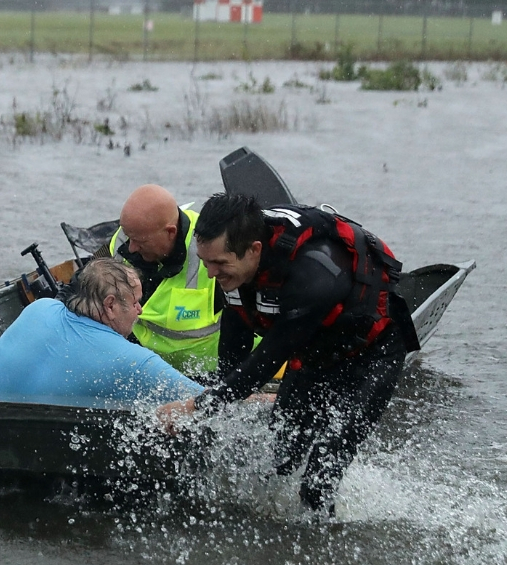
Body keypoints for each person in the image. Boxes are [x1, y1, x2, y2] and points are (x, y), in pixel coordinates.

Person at [159, 193, 420, 515]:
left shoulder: (314, 275)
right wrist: (215, 401)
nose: (210, 274)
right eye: (205, 261)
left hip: (370, 356)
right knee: (281, 457)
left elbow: (269, 359)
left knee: (320, 476)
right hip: (314, 353)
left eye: (220, 264)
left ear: (255, 250)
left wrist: (195, 406)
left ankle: (325, 552)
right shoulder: (234, 267)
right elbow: (233, 357)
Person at [0, 258, 204, 404]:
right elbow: (210, 402)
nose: (140, 309)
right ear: (110, 305)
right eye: (136, 301)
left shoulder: (40, 307)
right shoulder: (132, 360)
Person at [104, 184, 222, 376]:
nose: (131, 248)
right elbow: (84, 283)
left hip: (209, 373)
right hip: (143, 366)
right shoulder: (125, 239)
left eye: (140, 242)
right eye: (129, 237)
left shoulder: (214, 252)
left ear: (170, 232)